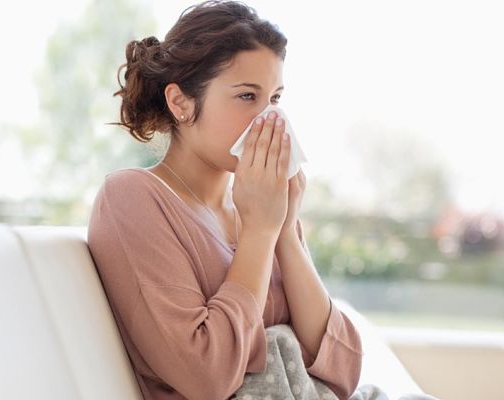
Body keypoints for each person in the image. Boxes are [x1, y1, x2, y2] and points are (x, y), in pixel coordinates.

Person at [87, 1, 363, 399]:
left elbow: (344, 370)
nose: (269, 120)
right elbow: (207, 376)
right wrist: (260, 234)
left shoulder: (261, 210)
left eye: (274, 100)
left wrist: (283, 232)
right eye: (247, 96)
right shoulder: (134, 198)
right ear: (180, 102)